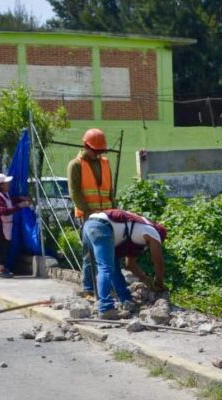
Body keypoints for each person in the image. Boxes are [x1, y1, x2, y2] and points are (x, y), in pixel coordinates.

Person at [68, 128, 115, 300]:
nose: (98, 154)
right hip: (87, 217)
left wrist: (114, 211)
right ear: (85, 146)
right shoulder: (76, 165)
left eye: (100, 151)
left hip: (107, 215)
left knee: (108, 253)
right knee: (89, 254)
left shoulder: (105, 163)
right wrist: (88, 213)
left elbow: (110, 191)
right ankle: (88, 288)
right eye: (95, 151)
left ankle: (106, 288)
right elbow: (75, 193)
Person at [97, 208, 167, 293]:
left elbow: (130, 265)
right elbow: (159, 262)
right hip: (102, 226)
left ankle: (91, 289)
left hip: (93, 222)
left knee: (109, 264)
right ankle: (104, 301)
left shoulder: (139, 228)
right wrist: (159, 284)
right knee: (106, 267)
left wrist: (144, 279)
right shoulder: (153, 233)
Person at [0, 173, 30, 279]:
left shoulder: (3, 194)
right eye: (6, 183)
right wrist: (20, 205)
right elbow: (3, 211)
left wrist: (20, 198)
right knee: (2, 246)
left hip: (4, 224)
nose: (9, 184)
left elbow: (9, 201)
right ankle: (0, 271)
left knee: (5, 245)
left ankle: (2, 268)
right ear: (1, 185)